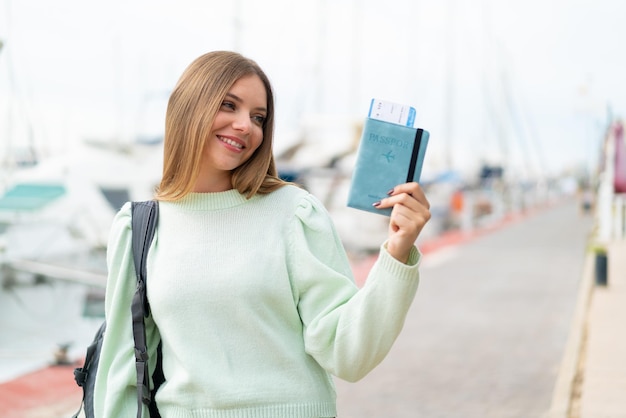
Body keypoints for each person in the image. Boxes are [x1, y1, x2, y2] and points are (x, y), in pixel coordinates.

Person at [94, 50, 431, 418]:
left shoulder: (295, 214)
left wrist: (397, 252)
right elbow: (121, 371)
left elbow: (348, 353)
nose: (246, 126)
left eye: (259, 117)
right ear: (188, 108)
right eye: (229, 105)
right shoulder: (139, 227)